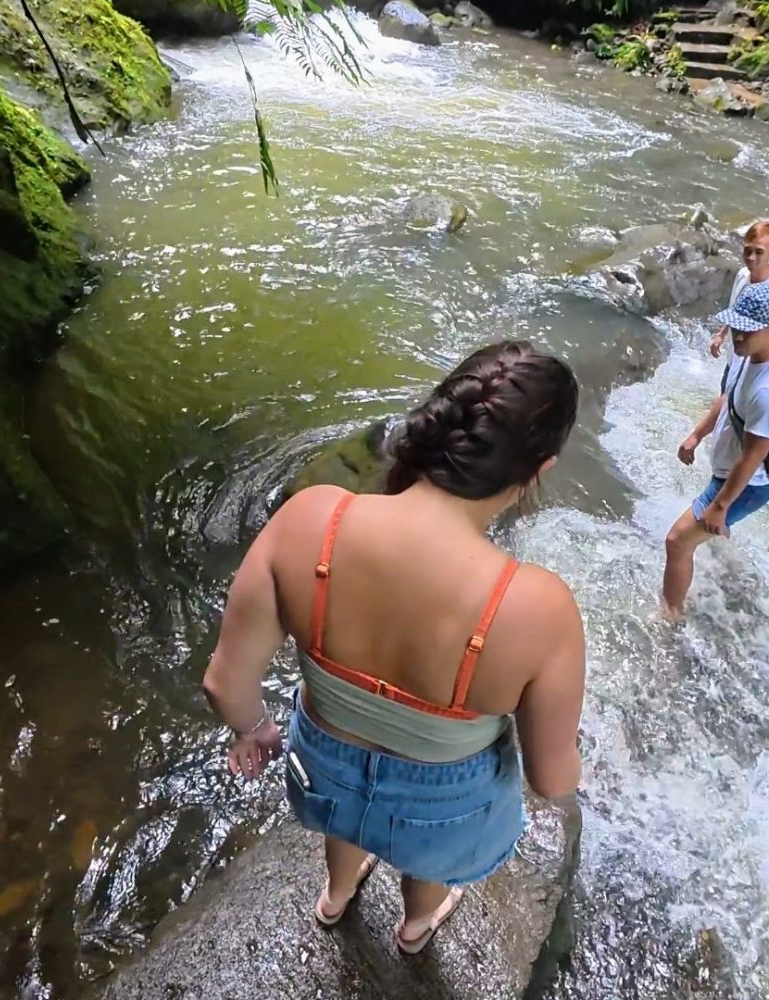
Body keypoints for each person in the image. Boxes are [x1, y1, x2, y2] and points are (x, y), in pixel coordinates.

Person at [202, 341, 585, 954]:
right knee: (426, 841)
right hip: (445, 809)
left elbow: (224, 683)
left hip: (323, 774)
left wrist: (255, 731)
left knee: (344, 799)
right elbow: (551, 777)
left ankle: (336, 894)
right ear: (539, 469)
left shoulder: (311, 520)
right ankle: (415, 926)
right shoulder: (538, 608)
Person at [662, 281, 769, 620]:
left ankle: (670, 615)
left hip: (748, 483)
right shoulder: (748, 353)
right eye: (736, 326)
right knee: (700, 530)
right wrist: (697, 435)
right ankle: (716, 532)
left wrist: (720, 506)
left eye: (749, 330)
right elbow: (727, 399)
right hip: (731, 468)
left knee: (677, 541)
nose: (738, 335)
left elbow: (752, 460)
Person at [709, 219, 769, 360]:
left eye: (759, 252)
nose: (751, 258)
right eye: (747, 250)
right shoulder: (743, 274)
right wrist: (721, 335)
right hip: (735, 356)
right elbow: (736, 311)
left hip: (753, 360)